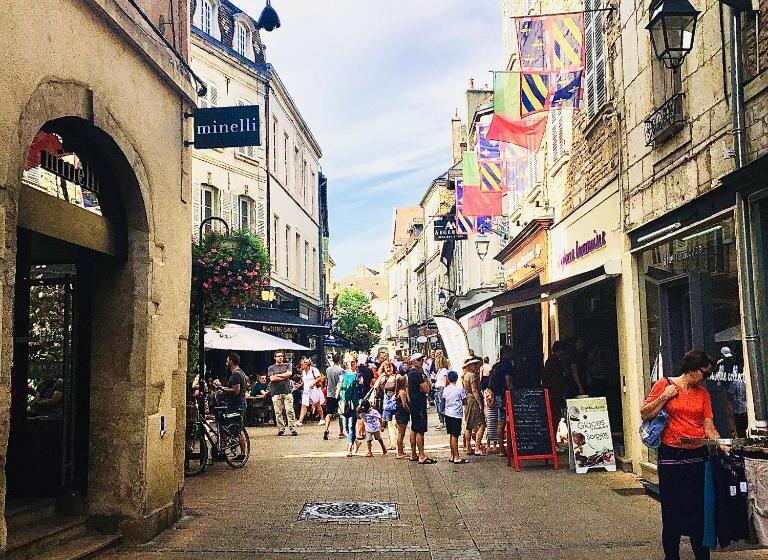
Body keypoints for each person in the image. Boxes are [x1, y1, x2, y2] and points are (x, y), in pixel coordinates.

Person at [641, 349, 728, 560]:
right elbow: (645, 413)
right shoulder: (665, 385)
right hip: (672, 454)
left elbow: (708, 425)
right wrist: (664, 397)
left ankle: (702, 555)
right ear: (691, 369)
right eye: (704, 373)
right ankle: (672, 556)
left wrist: (720, 443)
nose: (706, 378)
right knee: (672, 509)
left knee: (699, 509)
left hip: (697, 456)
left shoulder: (703, 394)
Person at [407, 353, 435, 464]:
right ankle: (421, 455)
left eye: (422, 359)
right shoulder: (417, 374)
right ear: (413, 361)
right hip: (419, 403)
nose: (421, 361)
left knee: (414, 429)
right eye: (419, 360)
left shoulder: (411, 373)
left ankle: (414, 454)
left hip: (414, 403)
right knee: (420, 430)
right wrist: (427, 384)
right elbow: (427, 389)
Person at [221, 352, 248, 460]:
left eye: (227, 360)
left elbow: (236, 390)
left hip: (236, 404)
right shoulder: (241, 372)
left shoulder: (236, 374)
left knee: (237, 428)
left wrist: (223, 389)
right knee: (236, 428)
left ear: (231, 361)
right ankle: (240, 452)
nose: (226, 362)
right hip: (239, 403)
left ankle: (242, 453)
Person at [489, 345, 515, 455]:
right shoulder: (507, 366)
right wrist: (513, 392)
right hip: (505, 396)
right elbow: (508, 382)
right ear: (506, 353)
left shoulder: (496, 365)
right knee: (504, 421)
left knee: (501, 420)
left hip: (497, 396)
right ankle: (505, 448)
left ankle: (501, 448)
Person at [268, 351, 298, 436]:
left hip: (287, 391)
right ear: (275, 357)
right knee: (278, 412)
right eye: (278, 356)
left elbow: (289, 374)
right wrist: (284, 376)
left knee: (290, 410)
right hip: (275, 392)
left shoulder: (288, 365)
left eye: (281, 356)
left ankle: (292, 428)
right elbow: (272, 379)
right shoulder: (271, 367)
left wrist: (277, 375)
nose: (280, 358)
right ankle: (281, 429)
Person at [462, 356, 486, 456]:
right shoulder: (472, 376)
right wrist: (480, 404)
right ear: (469, 365)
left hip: (468, 399)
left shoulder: (465, 375)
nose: (477, 366)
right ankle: (477, 447)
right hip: (473, 400)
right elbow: (475, 390)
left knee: (469, 425)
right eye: (474, 364)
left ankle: (468, 447)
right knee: (482, 424)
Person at [442, 370, 468, 464]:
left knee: (451, 435)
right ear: (456, 378)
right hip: (456, 414)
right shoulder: (459, 389)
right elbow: (465, 401)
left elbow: (444, 400)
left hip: (448, 413)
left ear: (448, 379)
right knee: (455, 436)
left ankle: (452, 455)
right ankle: (457, 456)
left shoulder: (446, 389)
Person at [542, 341, 570, 424]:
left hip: (554, 391)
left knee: (555, 413)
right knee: (556, 413)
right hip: (555, 391)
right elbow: (556, 378)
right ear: (560, 350)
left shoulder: (551, 360)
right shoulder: (555, 362)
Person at [338, 361, 361, 457]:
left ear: (356, 363)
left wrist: (359, 403)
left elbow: (360, 389)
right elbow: (339, 386)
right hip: (343, 402)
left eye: (353, 362)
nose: (351, 364)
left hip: (353, 403)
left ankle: (349, 447)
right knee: (345, 427)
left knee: (351, 425)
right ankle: (356, 441)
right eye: (349, 362)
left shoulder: (358, 375)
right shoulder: (342, 374)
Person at [374, 359, 399, 449]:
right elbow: (375, 386)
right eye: (386, 367)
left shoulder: (396, 377)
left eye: (390, 367)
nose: (389, 369)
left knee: (396, 423)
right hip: (387, 405)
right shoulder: (383, 378)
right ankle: (392, 443)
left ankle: (398, 442)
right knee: (390, 424)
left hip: (395, 403)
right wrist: (380, 377)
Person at [295, 358, 325, 427]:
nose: (301, 366)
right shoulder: (303, 372)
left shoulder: (314, 370)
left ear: (306, 364)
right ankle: (300, 421)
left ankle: (322, 419)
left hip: (314, 390)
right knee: (304, 405)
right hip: (306, 390)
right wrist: (300, 385)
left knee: (317, 404)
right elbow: (304, 380)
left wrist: (313, 383)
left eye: (302, 364)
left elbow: (319, 377)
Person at [323, 353, 345, 440]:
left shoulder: (328, 370)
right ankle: (341, 432)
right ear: (339, 360)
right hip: (339, 394)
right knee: (340, 414)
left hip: (330, 394)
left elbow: (327, 382)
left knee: (329, 413)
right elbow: (342, 382)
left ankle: (326, 429)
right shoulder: (341, 370)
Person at [394, 373, 410, 459]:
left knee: (401, 433)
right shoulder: (402, 392)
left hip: (399, 414)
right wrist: (409, 411)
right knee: (401, 433)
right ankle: (400, 452)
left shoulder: (399, 392)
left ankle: (401, 451)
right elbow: (404, 404)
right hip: (402, 414)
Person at [433, 353, 450, 430]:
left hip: (441, 389)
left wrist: (445, 389)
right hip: (437, 389)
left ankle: (445, 423)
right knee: (438, 407)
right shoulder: (439, 370)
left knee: (442, 406)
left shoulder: (444, 370)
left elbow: (446, 381)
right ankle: (442, 422)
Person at [484, 388, 498, 453]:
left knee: (495, 429)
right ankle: (488, 445)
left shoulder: (495, 395)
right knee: (489, 430)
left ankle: (495, 445)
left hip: (495, 414)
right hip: (490, 413)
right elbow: (490, 405)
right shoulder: (488, 396)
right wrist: (492, 400)